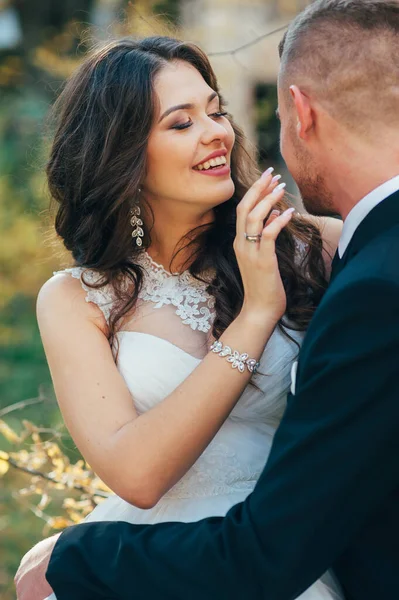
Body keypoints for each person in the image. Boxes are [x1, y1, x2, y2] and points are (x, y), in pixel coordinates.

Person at [20, 0, 399, 597]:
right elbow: (137, 475)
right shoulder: (77, 299)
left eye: (216, 111)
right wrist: (254, 317)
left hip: (284, 552)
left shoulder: (311, 247)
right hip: (157, 560)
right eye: (181, 122)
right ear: (122, 156)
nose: (217, 133)